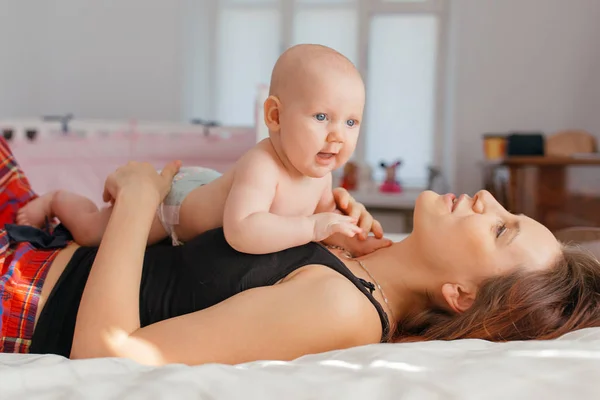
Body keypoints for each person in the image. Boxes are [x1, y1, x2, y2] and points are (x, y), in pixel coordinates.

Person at [2, 139, 600, 365]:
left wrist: (137, 202)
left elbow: (109, 359)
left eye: (499, 229)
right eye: (506, 211)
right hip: (51, 241)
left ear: (462, 295)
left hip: (25, 291)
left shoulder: (343, 311)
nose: (486, 200)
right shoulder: (356, 250)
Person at [16, 43, 374, 256]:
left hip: (211, 187)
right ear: (275, 115)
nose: (337, 136)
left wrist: (353, 239)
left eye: (351, 122)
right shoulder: (263, 164)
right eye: (322, 116)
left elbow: (328, 221)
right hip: (174, 205)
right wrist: (312, 227)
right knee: (94, 232)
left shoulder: (319, 172)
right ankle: (56, 200)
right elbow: (243, 231)